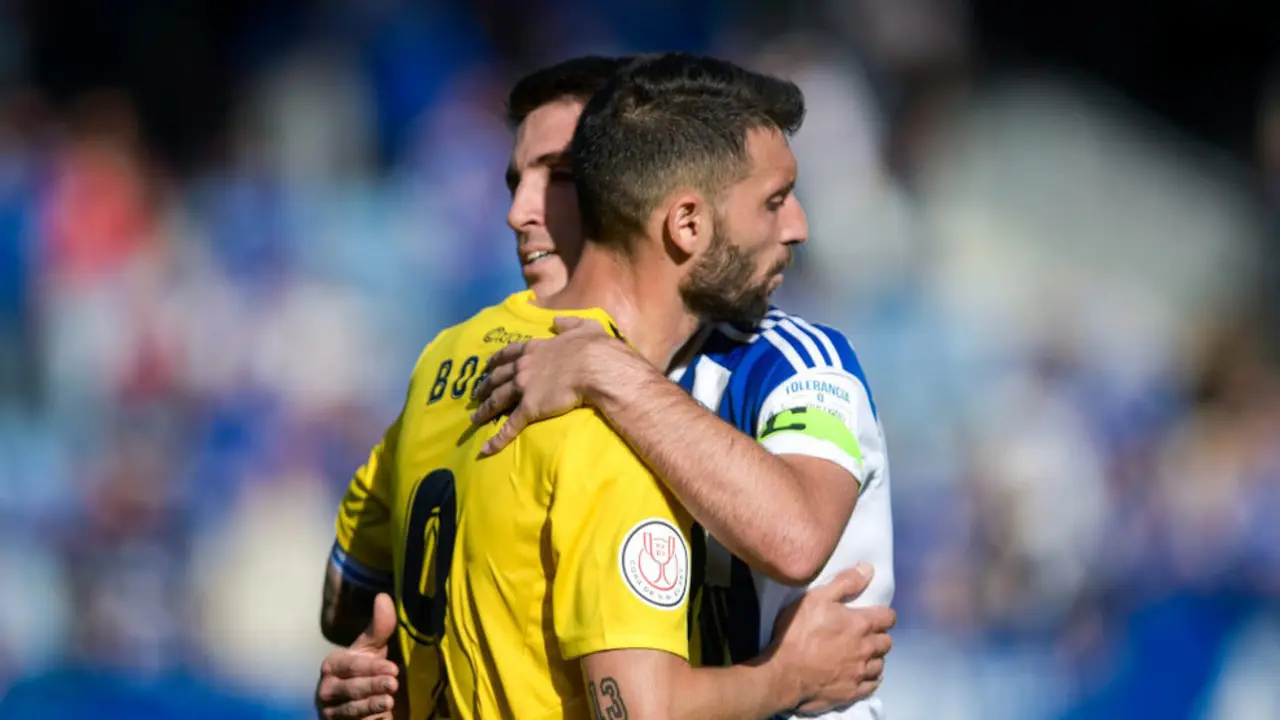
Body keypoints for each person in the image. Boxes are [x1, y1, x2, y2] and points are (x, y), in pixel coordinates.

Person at [316, 55, 895, 720]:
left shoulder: (786, 365)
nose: (520, 212)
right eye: (521, 180)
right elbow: (369, 604)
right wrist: (380, 676)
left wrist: (610, 370)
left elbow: (795, 537)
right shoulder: (556, 402)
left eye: (558, 176)